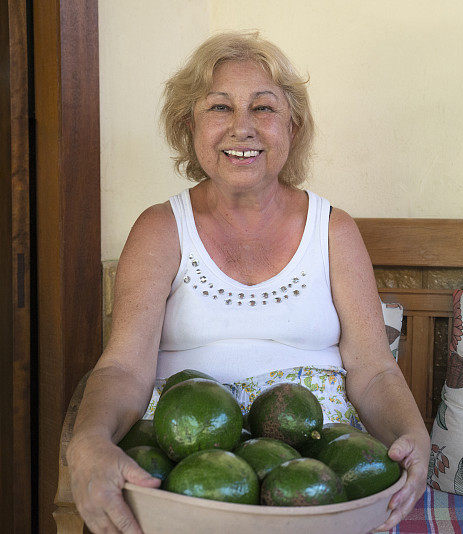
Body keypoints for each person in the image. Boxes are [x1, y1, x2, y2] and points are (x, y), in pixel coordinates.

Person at [66, 31, 429, 533]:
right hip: (190, 472)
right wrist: (89, 442)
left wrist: (414, 437)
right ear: (188, 126)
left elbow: (373, 371)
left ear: (293, 127)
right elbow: (125, 368)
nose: (242, 128)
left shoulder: (334, 230)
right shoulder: (159, 228)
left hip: (315, 475)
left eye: (264, 108)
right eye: (219, 108)